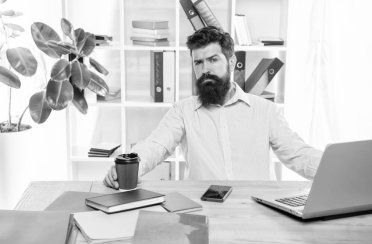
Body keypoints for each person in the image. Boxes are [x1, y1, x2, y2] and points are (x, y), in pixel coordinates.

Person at [104, 26, 323, 189]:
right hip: (203, 210)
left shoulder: (266, 111)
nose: (205, 69)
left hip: (256, 211)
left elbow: (297, 154)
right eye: (198, 62)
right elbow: (155, 145)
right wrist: (126, 169)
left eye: (213, 59)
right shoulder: (183, 111)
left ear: (231, 62)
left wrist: (338, 170)